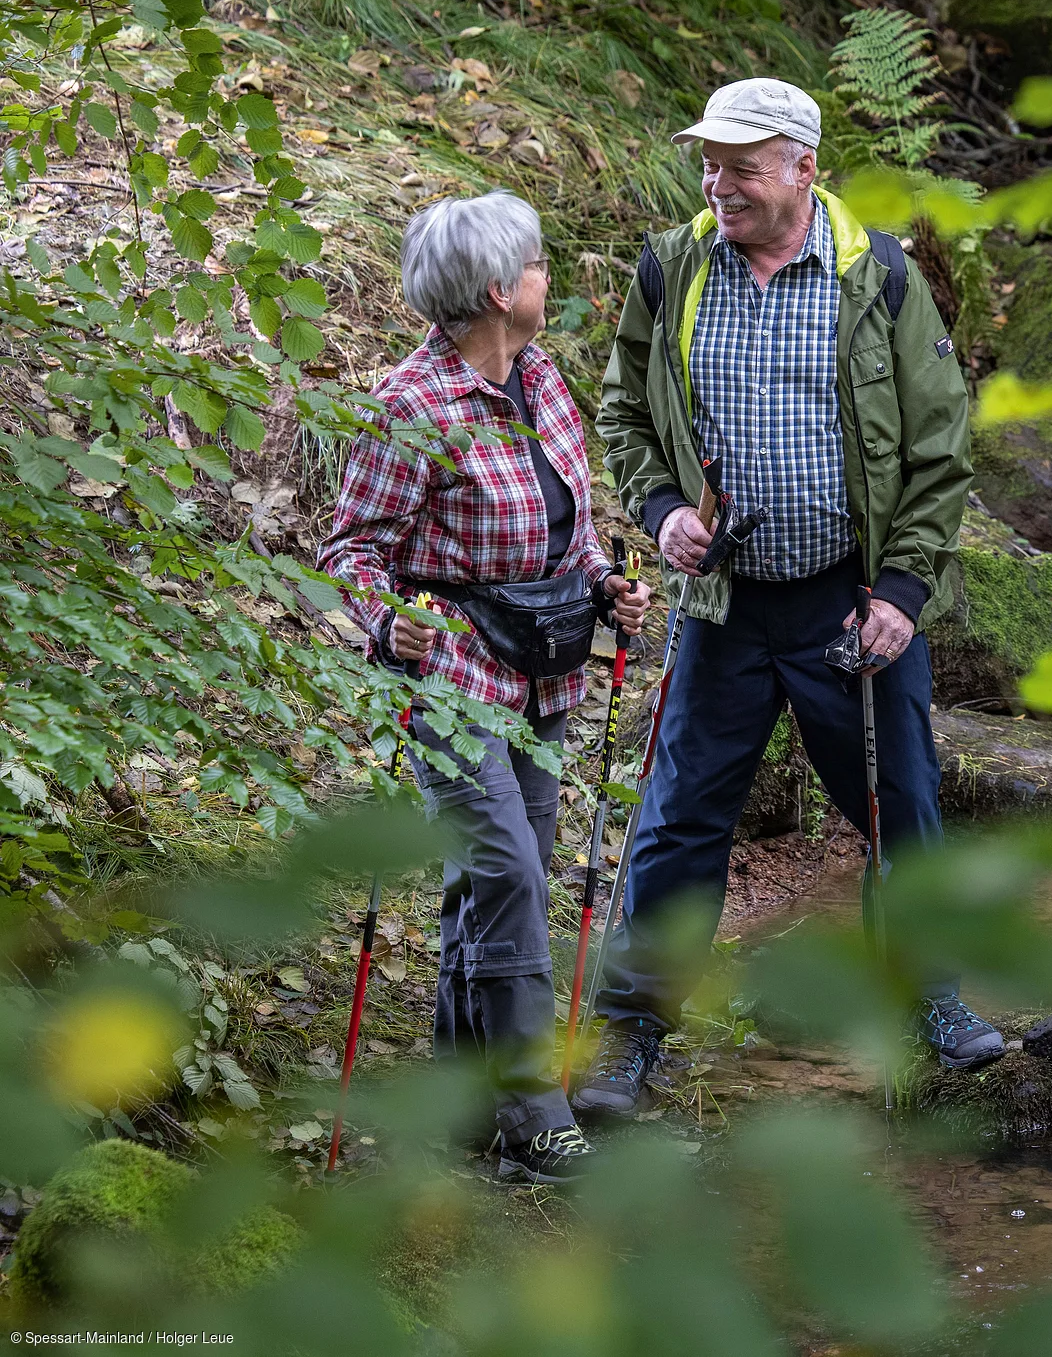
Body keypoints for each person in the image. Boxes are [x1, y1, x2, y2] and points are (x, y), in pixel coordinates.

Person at [579, 77, 993, 1120]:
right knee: (678, 821)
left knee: (900, 806)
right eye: (709, 163)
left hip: (852, 603)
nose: (718, 183)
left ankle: (930, 998)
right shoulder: (673, 268)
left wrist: (903, 589)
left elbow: (942, 449)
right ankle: (631, 1033)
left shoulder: (879, 277)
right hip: (723, 605)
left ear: (804, 168)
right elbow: (624, 409)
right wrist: (665, 507)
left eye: (742, 165)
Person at [319, 190, 652, 1184]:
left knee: (499, 882)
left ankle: (463, 1107)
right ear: (502, 290)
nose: (552, 278)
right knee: (507, 871)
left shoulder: (541, 379)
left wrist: (606, 586)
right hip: (455, 677)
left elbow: (572, 524)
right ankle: (535, 1108)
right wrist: (389, 620)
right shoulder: (411, 406)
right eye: (541, 264)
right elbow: (350, 550)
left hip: (544, 676)